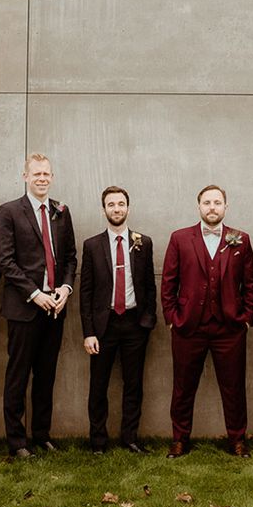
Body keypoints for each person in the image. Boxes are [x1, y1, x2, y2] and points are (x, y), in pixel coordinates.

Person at [161, 185, 253, 458]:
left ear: (226, 206)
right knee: (183, 387)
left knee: (234, 386)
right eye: (207, 202)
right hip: (188, 326)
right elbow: (168, 282)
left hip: (229, 327)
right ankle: (180, 439)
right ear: (198, 206)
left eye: (217, 202)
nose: (212, 207)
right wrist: (172, 318)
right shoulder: (180, 238)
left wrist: (246, 318)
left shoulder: (241, 239)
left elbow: (250, 285)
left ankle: (237, 440)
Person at [0, 153, 77, 458]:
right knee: (18, 375)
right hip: (24, 308)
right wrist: (35, 293)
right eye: (36, 174)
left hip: (55, 307)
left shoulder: (61, 211)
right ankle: (16, 442)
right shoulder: (9, 211)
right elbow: (5, 260)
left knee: (46, 374)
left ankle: (42, 435)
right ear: (25, 176)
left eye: (47, 174)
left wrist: (65, 289)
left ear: (52, 177)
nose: (42, 178)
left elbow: (70, 256)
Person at [80, 186, 157, 454]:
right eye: (111, 204)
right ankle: (98, 442)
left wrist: (148, 320)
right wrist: (88, 332)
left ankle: (130, 438)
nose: (116, 208)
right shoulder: (91, 245)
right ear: (104, 210)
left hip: (135, 324)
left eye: (121, 204)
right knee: (98, 385)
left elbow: (149, 285)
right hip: (104, 325)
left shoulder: (143, 242)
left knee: (133, 384)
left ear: (128, 207)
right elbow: (86, 292)